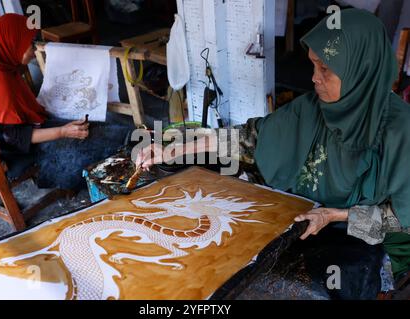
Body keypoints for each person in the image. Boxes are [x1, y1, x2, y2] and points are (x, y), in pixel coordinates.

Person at [136, 9, 410, 286]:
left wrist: (334, 215)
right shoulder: (311, 108)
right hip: (308, 216)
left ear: (360, 71)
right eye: (313, 65)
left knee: (327, 283)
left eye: (325, 69)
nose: (314, 78)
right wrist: (171, 150)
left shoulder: (400, 131)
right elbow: (249, 138)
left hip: (367, 237)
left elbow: (402, 218)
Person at [0, 14, 131, 189]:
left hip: (8, 141)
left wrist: (64, 129)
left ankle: (134, 141)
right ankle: (134, 147)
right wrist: (63, 131)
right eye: (29, 45)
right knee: (96, 143)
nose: (33, 51)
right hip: (15, 153)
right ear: (11, 43)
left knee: (94, 126)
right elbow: (15, 137)